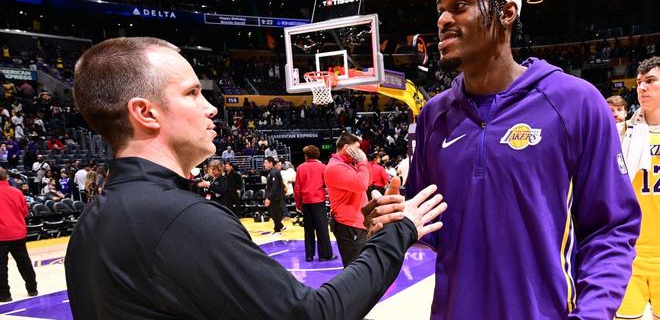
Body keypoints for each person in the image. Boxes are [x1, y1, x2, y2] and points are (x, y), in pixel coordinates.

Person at [65, 37, 447, 319]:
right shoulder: (183, 220)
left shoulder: (88, 225)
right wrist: (398, 233)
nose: (211, 108)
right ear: (145, 113)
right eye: (193, 93)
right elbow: (315, 314)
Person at [405, 0, 640, 319]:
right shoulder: (433, 116)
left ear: (507, 13)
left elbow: (611, 227)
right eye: (441, 10)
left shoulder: (575, 102)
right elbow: (431, 228)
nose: (443, 20)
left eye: (459, 5)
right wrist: (396, 225)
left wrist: (592, 313)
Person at [617, 57, 660, 320]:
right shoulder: (622, 134)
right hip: (630, 252)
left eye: (651, 81)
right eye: (639, 82)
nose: (642, 87)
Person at [323, 132, 371, 267]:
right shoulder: (336, 167)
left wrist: (362, 162)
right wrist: (362, 161)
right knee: (357, 269)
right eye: (357, 148)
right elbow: (361, 185)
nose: (360, 152)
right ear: (346, 148)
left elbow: (368, 181)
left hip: (357, 223)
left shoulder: (348, 164)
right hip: (350, 226)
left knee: (364, 267)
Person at [0, 167, 37, 302]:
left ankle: (4, 295)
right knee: (24, 262)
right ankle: (32, 289)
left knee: (1, 266)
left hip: (1, 235)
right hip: (18, 232)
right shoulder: (17, 192)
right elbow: (25, 212)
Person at [294, 145, 335, 262]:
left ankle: (309, 255)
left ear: (306, 155)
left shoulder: (300, 168)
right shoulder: (323, 167)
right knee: (322, 229)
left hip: (306, 202)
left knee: (308, 229)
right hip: (318, 201)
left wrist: (298, 204)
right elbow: (328, 185)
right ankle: (325, 255)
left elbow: (297, 189)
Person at [264, 156, 285, 233]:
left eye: (266, 163)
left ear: (271, 163)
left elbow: (274, 187)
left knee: (274, 213)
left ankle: (278, 229)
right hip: (273, 196)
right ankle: (280, 227)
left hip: (275, 197)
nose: (264, 164)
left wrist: (269, 198)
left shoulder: (274, 172)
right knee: (272, 213)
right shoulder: (271, 172)